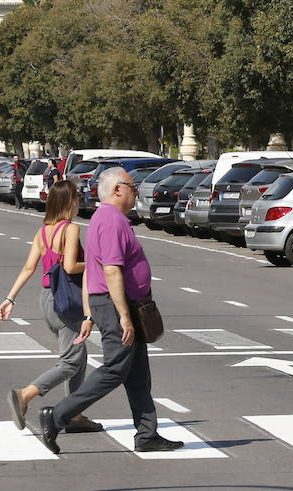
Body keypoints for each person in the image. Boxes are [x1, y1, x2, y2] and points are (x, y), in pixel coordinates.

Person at [39, 168, 182, 454]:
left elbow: (94, 271)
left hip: (118, 303)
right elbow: (111, 271)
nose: (136, 189)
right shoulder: (111, 221)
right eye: (132, 185)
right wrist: (124, 316)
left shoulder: (107, 219)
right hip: (118, 304)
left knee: (138, 373)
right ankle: (56, 417)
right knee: (115, 369)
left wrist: (94, 314)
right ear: (118, 189)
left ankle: (146, 434)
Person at [0, 180, 102, 435]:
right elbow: (69, 267)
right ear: (69, 202)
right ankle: (25, 395)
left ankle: (75, 414)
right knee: (70, 361)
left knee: (79, 357)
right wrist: (93, 263)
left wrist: (10, 299)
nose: (79, 201)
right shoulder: (71, 229)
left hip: (47, 298)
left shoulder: (43, 231)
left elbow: (29, 268)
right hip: (66, 300)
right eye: (76, 197)